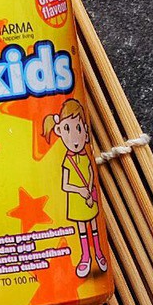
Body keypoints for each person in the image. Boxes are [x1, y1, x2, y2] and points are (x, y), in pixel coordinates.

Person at [42, 99, 108, 278]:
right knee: (82, 229)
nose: (74, 137)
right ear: (59, 131)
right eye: (67, 129)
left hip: (89, 196)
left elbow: (91, 173)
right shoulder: (68, 160)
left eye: (78, 128)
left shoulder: (85, 156)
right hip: (77, 198)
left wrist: (90, 189)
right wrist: (80, 190)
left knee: (94, 226)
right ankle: (86, 257)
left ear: (86, 131)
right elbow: (65, 184)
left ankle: (99, 254)